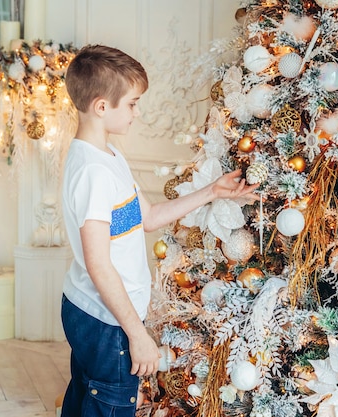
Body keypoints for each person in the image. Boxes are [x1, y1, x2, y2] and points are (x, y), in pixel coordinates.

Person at [60, 44, 261, 417]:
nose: (137, 112)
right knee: (109, 405)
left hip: (95, 312)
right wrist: (138, 335)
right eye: (132, 103)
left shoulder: (109, 156)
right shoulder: (93, 172)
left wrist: (212, 191)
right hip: (106, 323)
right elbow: (99, 264)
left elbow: (147, 217)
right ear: (102, 107)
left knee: (85, 401)